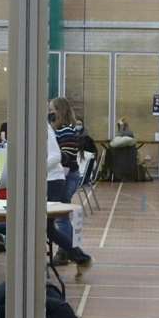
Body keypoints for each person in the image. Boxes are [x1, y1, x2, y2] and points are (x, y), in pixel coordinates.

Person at [46, 113, 91, 266]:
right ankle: (77, 256)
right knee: (50, 226)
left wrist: (37, 169)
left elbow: (59, 156)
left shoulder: (52, 130)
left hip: (55, 179)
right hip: (56, 177)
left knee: (56, 221)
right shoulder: (49, 129)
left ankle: (75, 255)